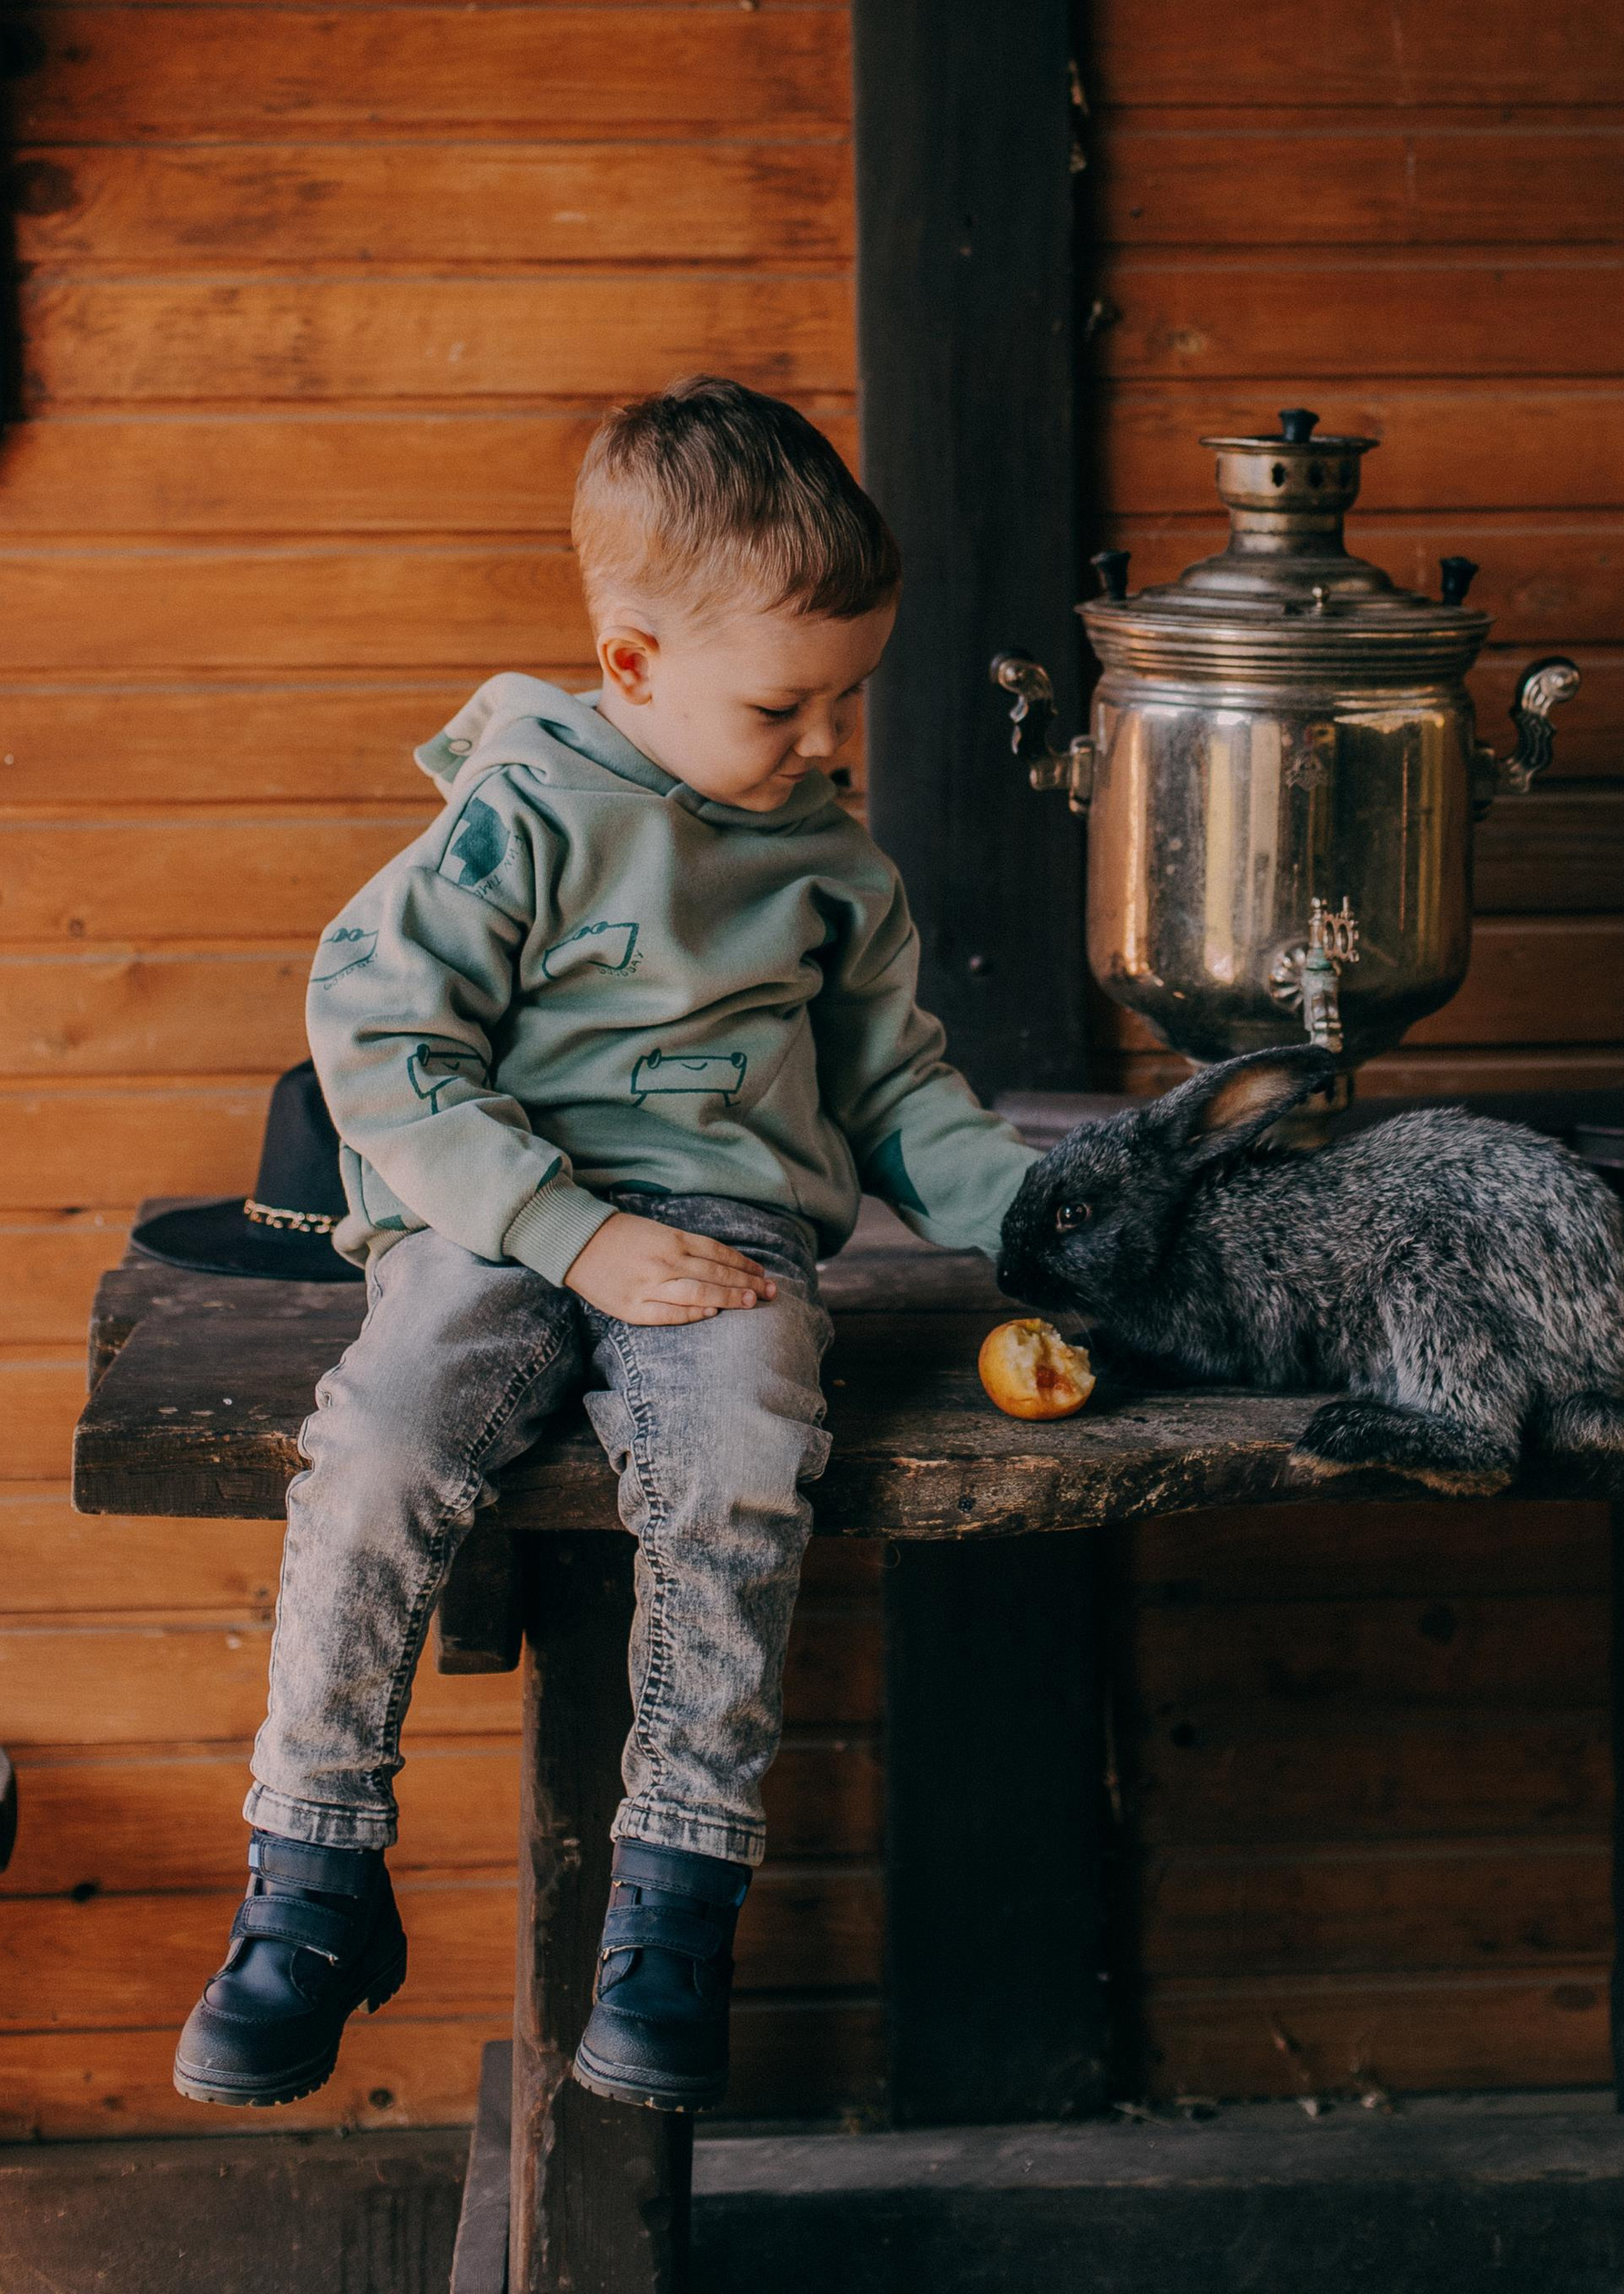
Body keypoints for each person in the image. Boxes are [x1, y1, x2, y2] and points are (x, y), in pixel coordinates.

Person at [172, 379, 1037, 2116]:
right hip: (500, 1211)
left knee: (739, 1452)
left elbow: (894, 1086)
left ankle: (676, 1897)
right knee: (380, 1443)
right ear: (633, 663)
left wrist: (1041, 1212)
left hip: (723, 1233)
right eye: (783, 704)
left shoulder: (831, 870)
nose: (822, 743)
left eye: (843, 701)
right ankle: (311, 1877)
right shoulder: (518, 817)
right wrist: (570, 1234)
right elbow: (383, 1040)